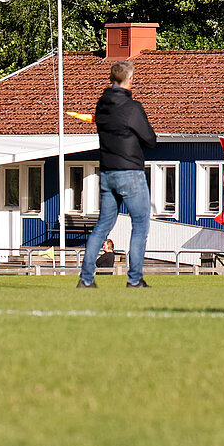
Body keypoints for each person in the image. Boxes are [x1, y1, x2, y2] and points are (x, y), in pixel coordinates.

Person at [79, 60, 158, 288]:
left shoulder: (101, 105)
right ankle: (134, 279)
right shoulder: (132, 108)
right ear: (130, 80)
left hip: (107, 171)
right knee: (140, 224)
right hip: (130, 171)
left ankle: (85, 279)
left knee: (102, 226)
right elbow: (150, 139)